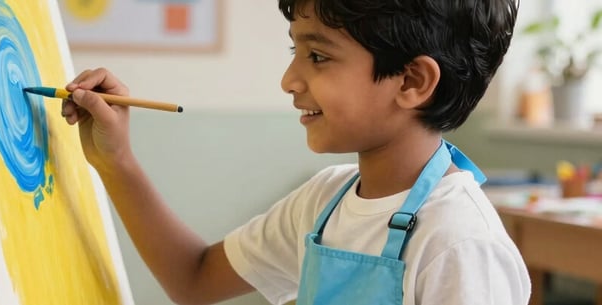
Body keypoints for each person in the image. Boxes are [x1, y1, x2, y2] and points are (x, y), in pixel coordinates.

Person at [60, 0, 530, 304]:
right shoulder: (323, 202)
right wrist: (115, 161)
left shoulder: (461, 245)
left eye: (318, 56)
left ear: (411, 81)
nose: (289, 81)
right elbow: (194, 279)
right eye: (295, 52)